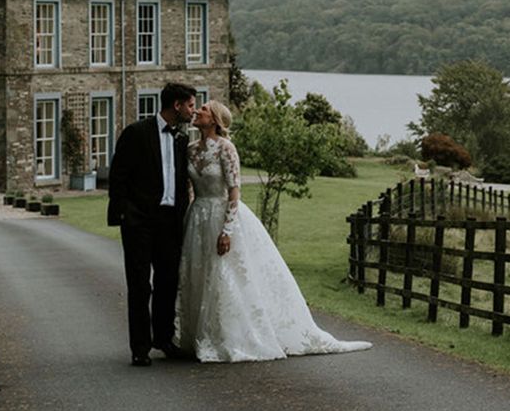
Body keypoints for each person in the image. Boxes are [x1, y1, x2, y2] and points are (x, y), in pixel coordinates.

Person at [178, 99, 372, 362]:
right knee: (199, 274)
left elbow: (234, 191)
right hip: (197, 218)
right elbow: (190, 188)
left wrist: (227, 230)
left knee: (225, 274)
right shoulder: (190, 150)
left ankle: (231, 337)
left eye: (203, 109)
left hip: (221, 214)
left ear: (214, 119)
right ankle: (200, 335)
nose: (197, 111)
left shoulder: (226, 149)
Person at [108, 82, 197, 366]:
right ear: (177, 105)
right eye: (191, 105)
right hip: (139, 222)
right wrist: (125, 214)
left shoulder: (182, 140)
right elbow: (118, 176)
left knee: (168, 282)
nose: (193, 111)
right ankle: (140, 348)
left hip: (170, 222)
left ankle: (163, 338)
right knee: (139, 284)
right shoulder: (136, 133)